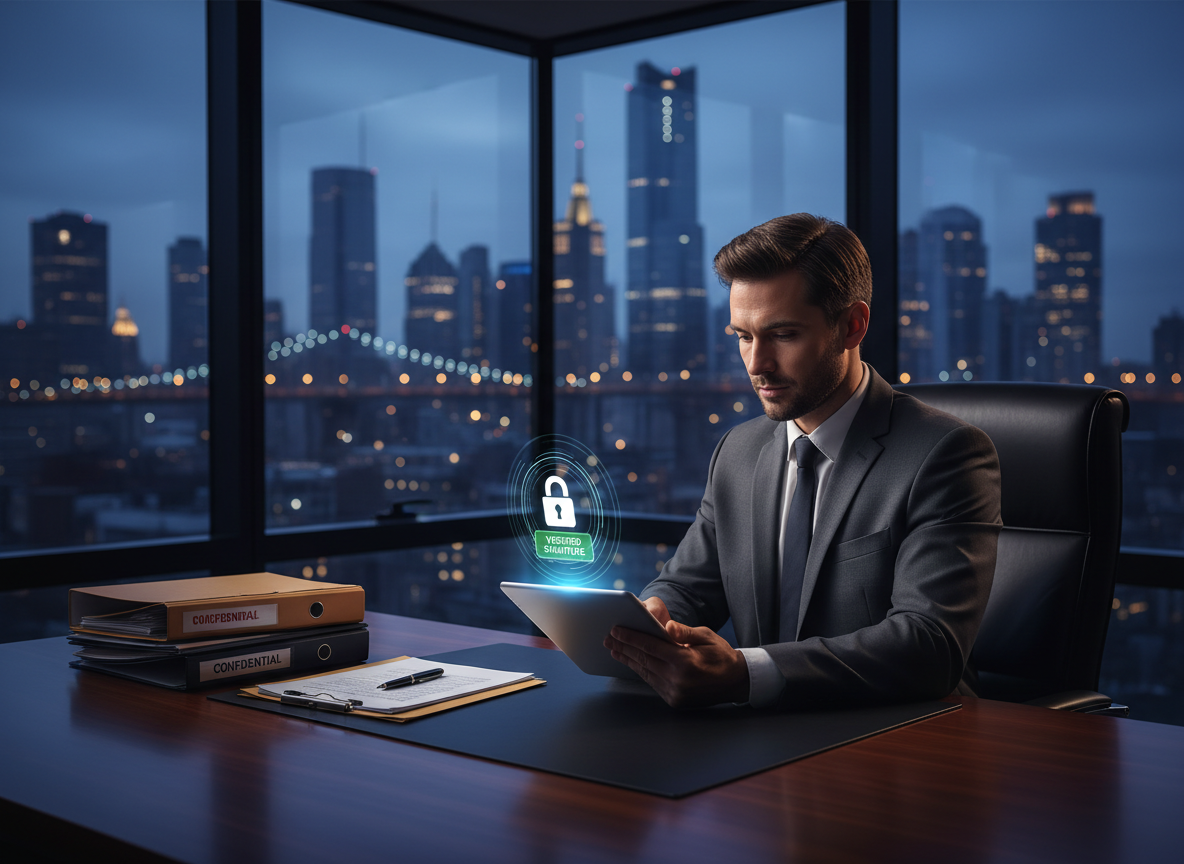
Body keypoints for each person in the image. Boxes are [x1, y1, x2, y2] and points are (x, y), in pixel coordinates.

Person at [604, 214, 1002, 709]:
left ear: (852, 326)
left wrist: (745, 674)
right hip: (761, 743)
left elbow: (929, 646)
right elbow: (686, 585)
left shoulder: (945, 454)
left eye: (783, 335)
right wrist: (654, 620)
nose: (756, 364)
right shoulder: (738, 452)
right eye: (743, 336)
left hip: (900, 743)